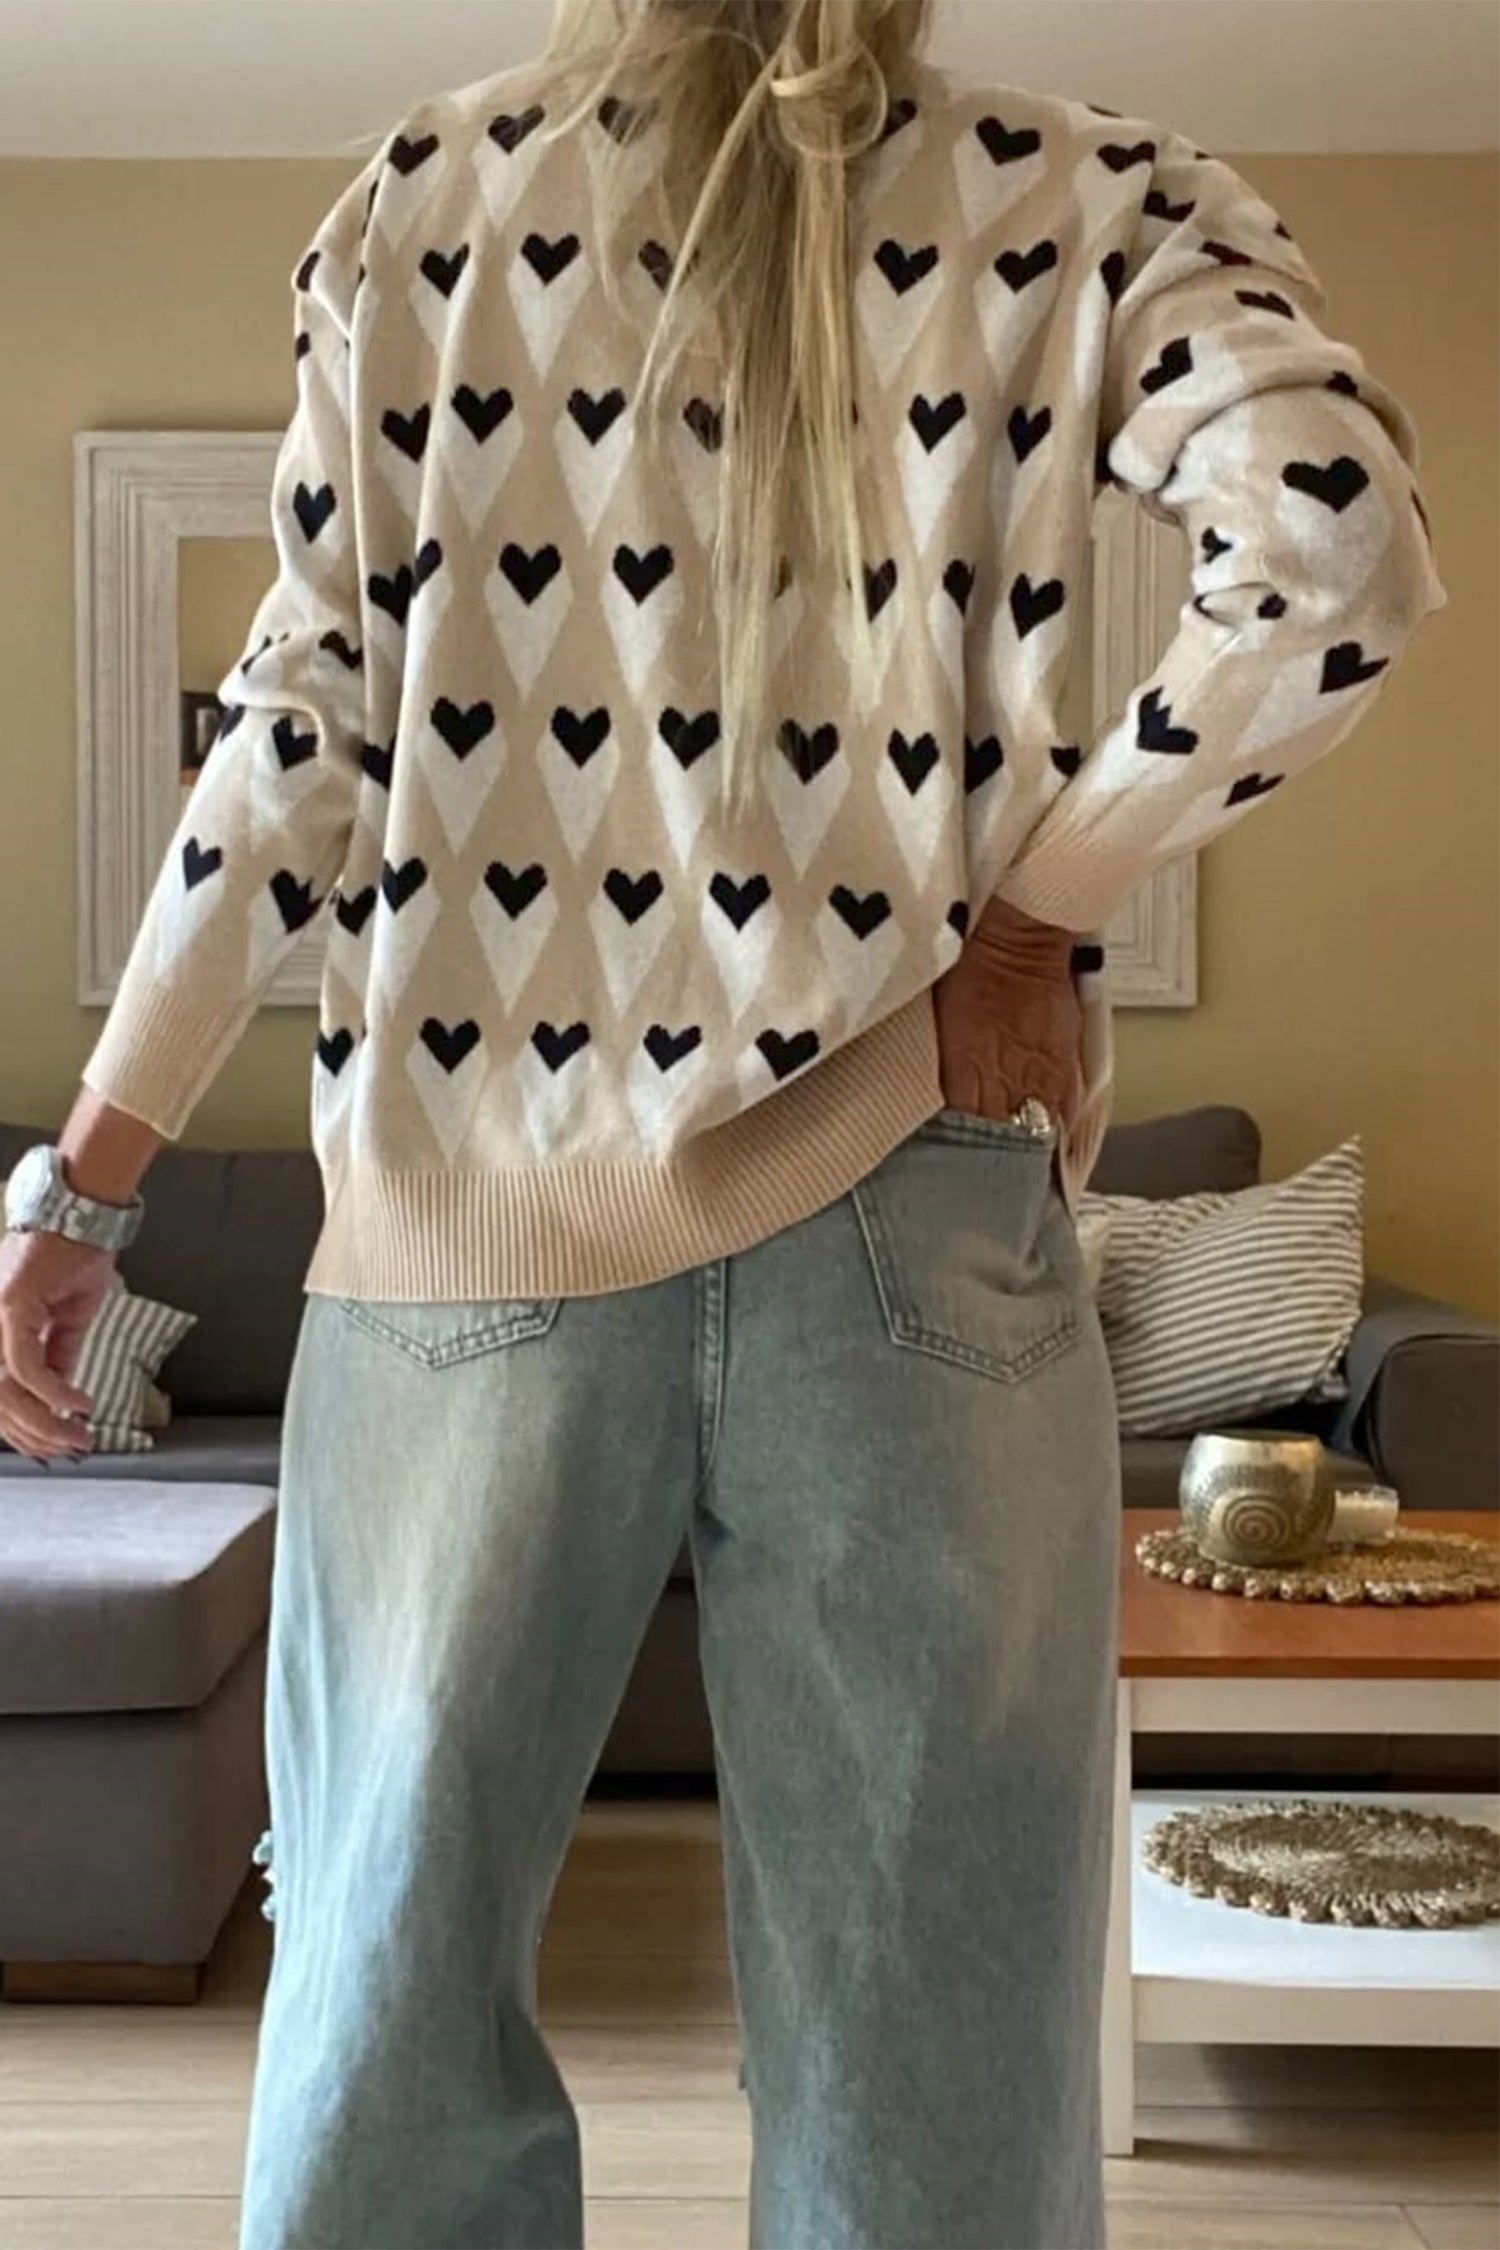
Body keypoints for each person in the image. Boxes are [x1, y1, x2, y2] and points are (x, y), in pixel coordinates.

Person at [0, 3, 1447, 2244]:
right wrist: (1033, 919)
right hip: (911, 1210)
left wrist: (85, 1182)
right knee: (935, 2065)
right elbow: (1335, 557)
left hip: (470, 1219)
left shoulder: (428, 207)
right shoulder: (1079, 194)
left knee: (385, 2009)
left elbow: (300, 735)